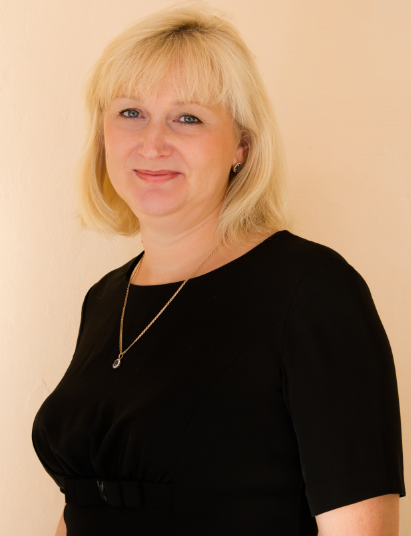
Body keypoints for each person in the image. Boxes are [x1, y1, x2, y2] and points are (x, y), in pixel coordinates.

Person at [32, 2, 406, 535]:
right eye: (130, 112)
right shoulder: (106, 298)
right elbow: (84, 508)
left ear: (241, 147)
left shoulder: (313, 291)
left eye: (188, 118)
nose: (152, 143)